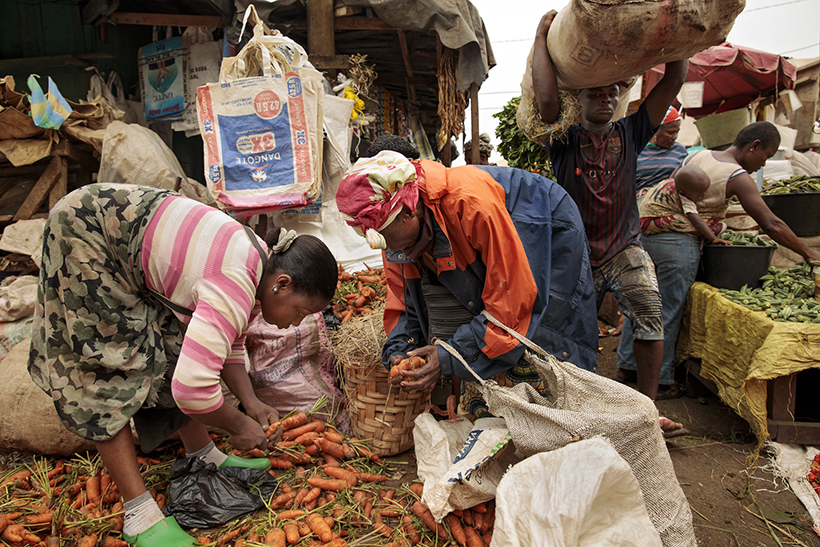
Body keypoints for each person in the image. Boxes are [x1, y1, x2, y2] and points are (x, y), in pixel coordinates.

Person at [28, 183, 338, 547]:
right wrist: (238, 424)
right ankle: (139, 514)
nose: (297, 323)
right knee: (108, 369)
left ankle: (204, 455)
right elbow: (191, 391)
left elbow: (229, 338)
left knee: (177, 345)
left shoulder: (261, 264)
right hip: (89, 234)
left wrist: (250, 401)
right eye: (300, 311)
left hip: (127, 237)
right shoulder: (235, 281)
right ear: (282, 285)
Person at [335, 151, 599, 417]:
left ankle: (573, 419)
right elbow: (404, 302)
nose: (386, 246)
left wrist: (451, 355)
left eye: (384, 237)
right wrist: (401, 349)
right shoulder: (390, 233)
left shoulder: (470, 205)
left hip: (541, 220)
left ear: (409, 211)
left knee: (548, 332)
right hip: (497, 225)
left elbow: (511, 303)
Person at [532, 10, 688, 435]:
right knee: (562, 330)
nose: (604, 99)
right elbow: (546, 103)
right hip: (576, 251)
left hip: (624, 246)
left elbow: (673, 81)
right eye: (594, 94)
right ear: (578, 101)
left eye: (611, 94)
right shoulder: (565, 138)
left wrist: (678, 39)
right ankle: (570, 404)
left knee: (651, 318)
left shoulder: (632, 132)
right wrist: (542, 35)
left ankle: (647, 412)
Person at [618, 122, 820, 402]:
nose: (763, 164)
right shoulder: (738, 176)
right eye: (767, 156)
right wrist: (809, 253)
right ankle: (660, 382)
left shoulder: (700, 156)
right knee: (668, 311)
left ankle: (628, 368)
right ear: (754, 147)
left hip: (646, 236)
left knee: (642, 303)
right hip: (677, 245)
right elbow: (771, 224)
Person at [635, 106, 689, 200]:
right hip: (640, 202)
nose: (675, 137)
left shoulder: (680, 150)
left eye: (677, 132)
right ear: (655, 130)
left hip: (670, 202)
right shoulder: (636, 150)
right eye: (671, 132)